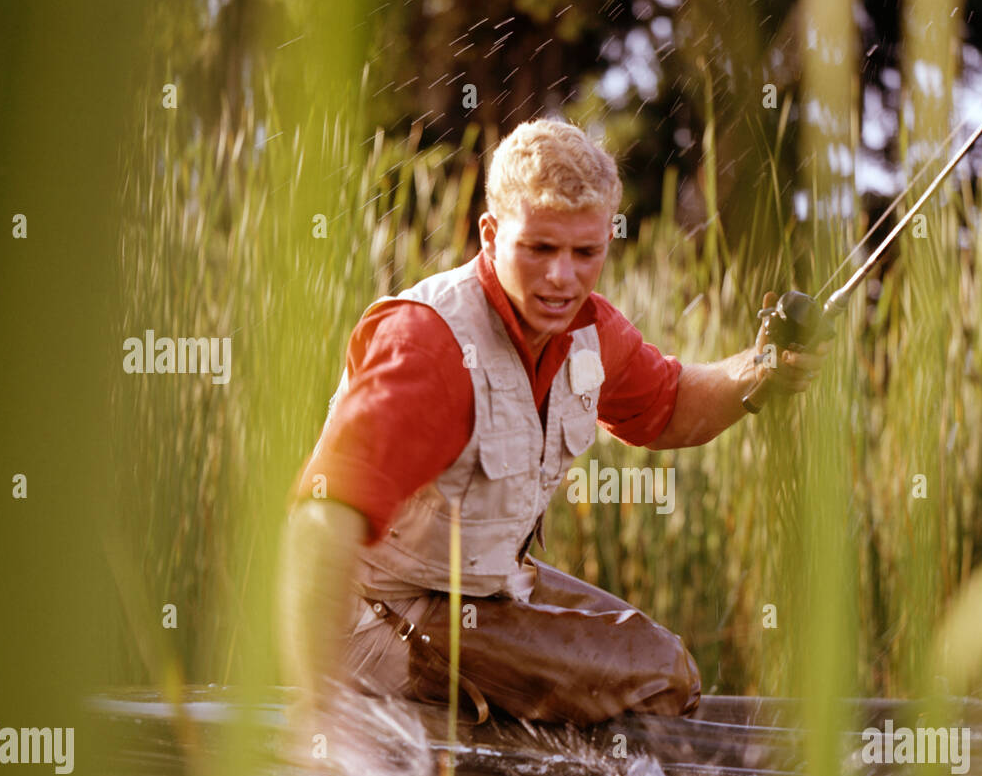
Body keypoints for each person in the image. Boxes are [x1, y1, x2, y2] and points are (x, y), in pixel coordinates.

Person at [278, 118, 826, 735]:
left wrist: (760, 371)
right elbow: (319, 526)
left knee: (664, 668)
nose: (563, 278)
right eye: (539, 248)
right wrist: (319, 720)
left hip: (488, 594)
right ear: (490, 234)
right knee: (663, 672)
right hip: (378, 623)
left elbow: (671, 406)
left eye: (585, 252)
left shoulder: (591, 334)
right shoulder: (429, 347)